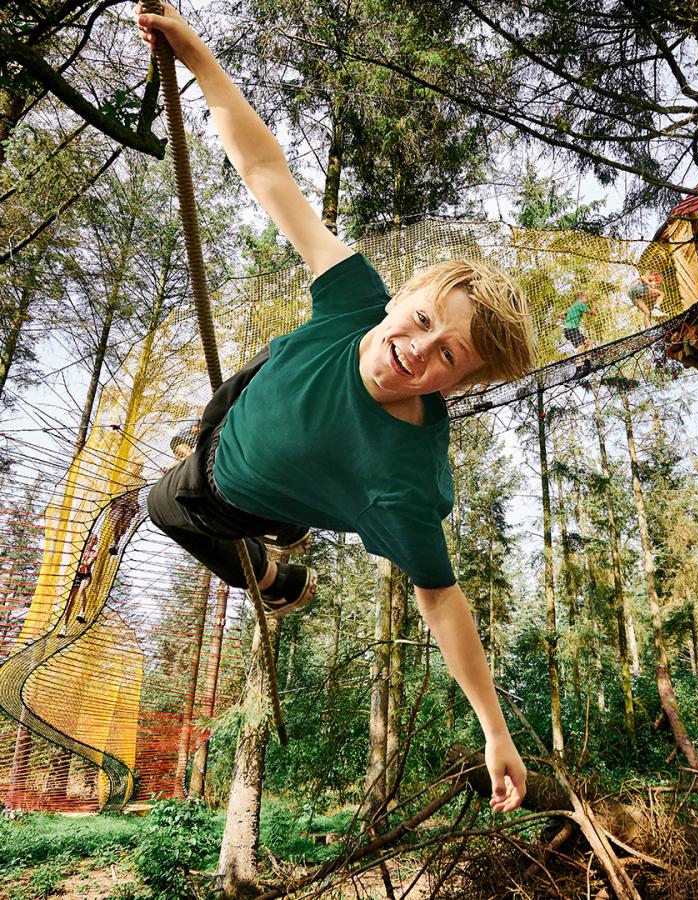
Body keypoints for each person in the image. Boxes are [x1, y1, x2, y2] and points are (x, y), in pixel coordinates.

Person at [136, 3, 532, 813]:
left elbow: (441, 600)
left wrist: (494, 728)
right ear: (406, 294)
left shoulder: (404, 482)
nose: (417, 350)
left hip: (225, 495)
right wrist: (199, 59)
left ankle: (280, 574)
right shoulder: (354, 295)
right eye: (421, 321)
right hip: (247, 404)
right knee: (246, 388)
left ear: (461, 386)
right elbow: (267, 173)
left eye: (447, 357)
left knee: (161, 505)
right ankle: (289, 520)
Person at [60, 534, 98, 637]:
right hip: (77, 575)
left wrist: (81, 560)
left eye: (94, 540)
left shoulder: (94, 553)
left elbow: (88, 563)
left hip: (86, 575)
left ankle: (82, 612)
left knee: (82, 590)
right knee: (71, 602)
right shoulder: (80, 549)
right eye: (91, 540)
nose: (92, 542)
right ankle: (64, 628)